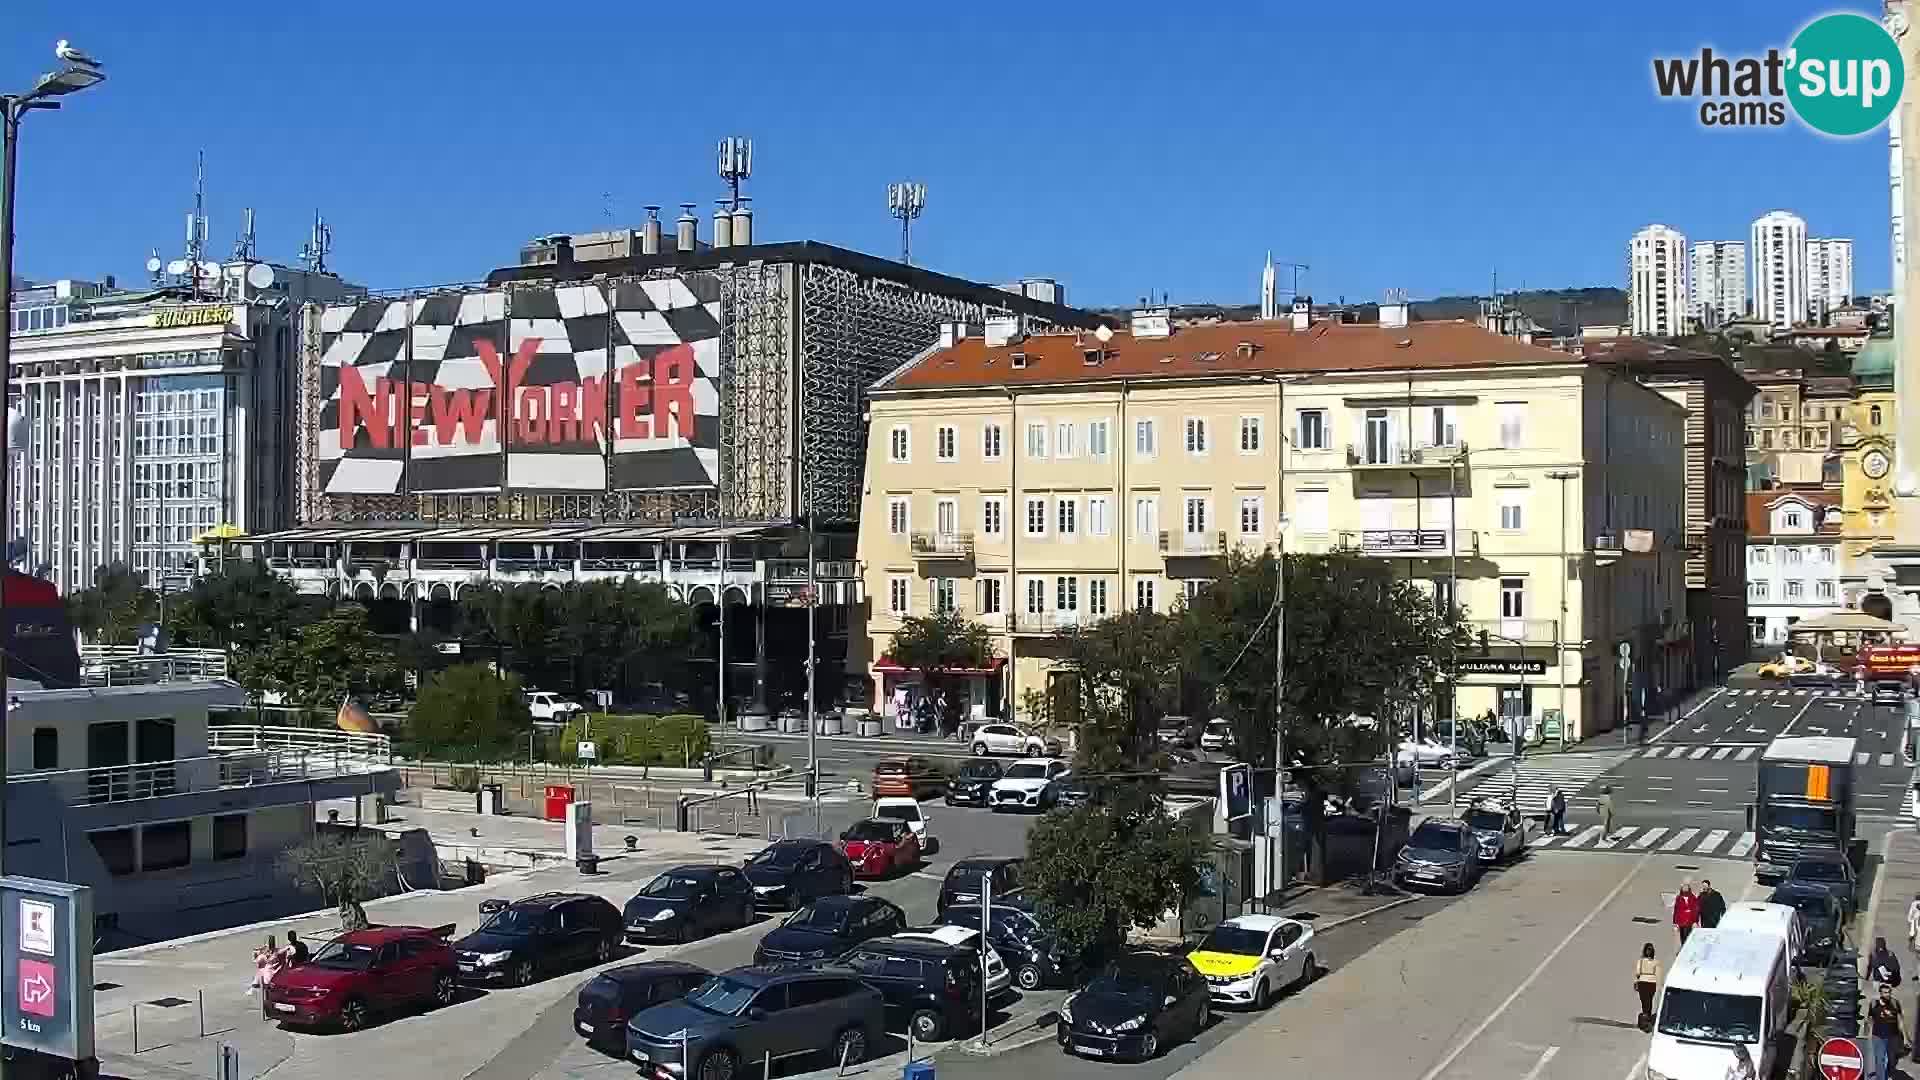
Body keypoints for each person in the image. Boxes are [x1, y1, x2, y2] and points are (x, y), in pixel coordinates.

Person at [1870, 983, 1904, 1080]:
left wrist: (1905, 1038)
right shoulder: (1873, 1003)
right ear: (1880, 993)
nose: (1887, 995)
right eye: (1885, 993)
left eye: (1889, 992)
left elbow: (1900, 1020)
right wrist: (1867, 1034)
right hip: (1878, 1036)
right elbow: (1870, 1019)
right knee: (1880, 1060)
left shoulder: (1895, 1003)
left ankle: (1888, 1073)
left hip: (1892, 1036)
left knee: (1891, 1060)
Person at [252, 935, 287, 1018]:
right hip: (275, 975)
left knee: (267, 994)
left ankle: (269, 1009)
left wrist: (258, 952)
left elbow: (257, 963)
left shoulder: (264, 955)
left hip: (268, 976)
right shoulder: (277, 952)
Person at [1633, 942, 1661, 1032]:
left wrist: (1636, 982)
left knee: (1644, 1001)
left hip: (1643, 982)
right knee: (1649, 1001)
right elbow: (1658, 974)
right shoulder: (1656, 962)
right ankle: (1647, 1019)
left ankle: (1646, 1019)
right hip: (1651, 983)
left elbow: (1637, 973)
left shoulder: (1640, 961)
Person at [1672, 882, 1700, 946]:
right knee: (1682, 937)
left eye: (1686, 887)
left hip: (1689, 921)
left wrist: (1695, 921)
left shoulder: (1693, 897)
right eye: (1684, 887)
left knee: (1687, 937)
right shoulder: (1678, 898)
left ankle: (1686, 949)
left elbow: (1696, 910)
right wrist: (1675, 922)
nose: (1685, 889)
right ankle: (1683, 949)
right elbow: (1676, 910)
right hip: (1681, 921)